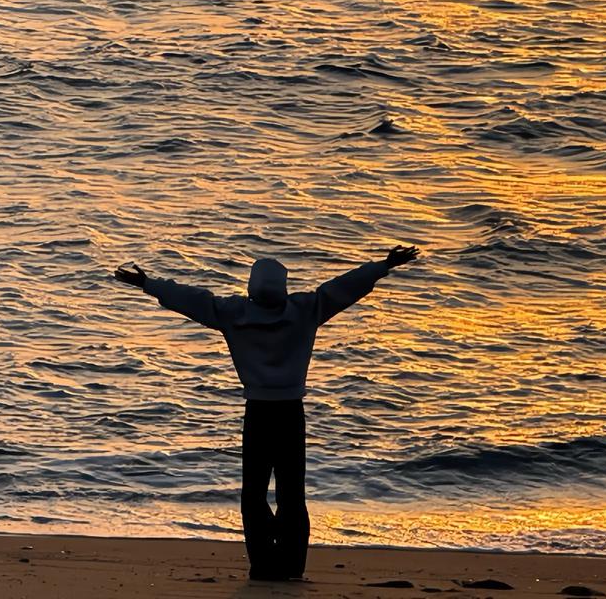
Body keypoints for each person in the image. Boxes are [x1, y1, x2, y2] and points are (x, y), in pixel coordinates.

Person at [114, 245, 420, 582]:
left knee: (254, 492)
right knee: (292, 492)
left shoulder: (233, 313)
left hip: (258, 412)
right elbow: (344, 287)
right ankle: (291, 565)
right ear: (284, 287)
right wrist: (384, 265)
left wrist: (148, 284)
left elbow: (191, 299)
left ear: (251, 287)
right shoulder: (305, 309)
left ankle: (263, 563)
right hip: (291, 413)